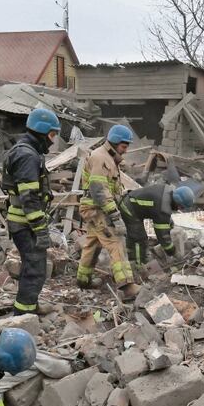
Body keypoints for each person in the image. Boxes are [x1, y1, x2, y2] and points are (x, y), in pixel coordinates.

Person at [2, 108, 60, 315]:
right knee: (35, 269)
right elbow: (29, 198)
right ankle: (24, 315)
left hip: (22, 223)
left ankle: (28, 307)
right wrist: (40, 229)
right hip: (25, 224)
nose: (53, 141)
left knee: (31, 266)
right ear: (42, 131)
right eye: (52, 135)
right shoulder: (27, 156)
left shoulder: (26, 151)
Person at [76, 125, 140, 300]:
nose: (125, 151)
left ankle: (83, 279)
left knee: (93, 244)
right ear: (114, 142)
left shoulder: (109, 158)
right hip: (98, 209)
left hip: (94, 209)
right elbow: (98, 189)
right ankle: (127, 287)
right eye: (124, 147)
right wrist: (114, 214)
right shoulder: (100, 158)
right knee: (116, 241)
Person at [119, 183, 195, 267]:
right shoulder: (162, 210)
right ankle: (139, 266)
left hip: (132, 202)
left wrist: (168, 223)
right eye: (181, 207)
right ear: (177, 201)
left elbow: (158, 209)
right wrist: (174, 252)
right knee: (139, 239)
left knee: (135, 235)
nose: (179, 209)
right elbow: (162, 236)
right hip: (129, 208)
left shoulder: (168, 191)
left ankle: (129, 253)